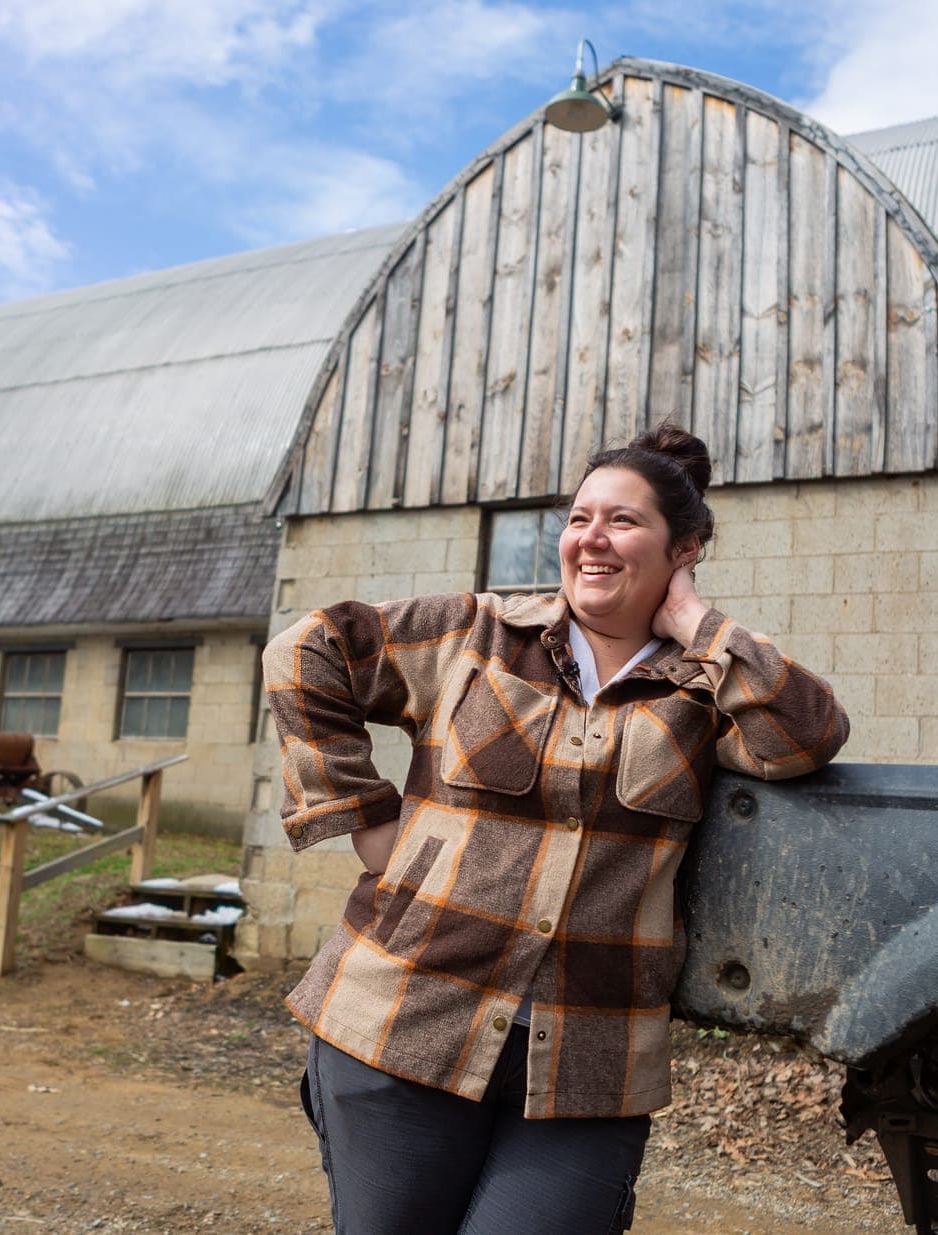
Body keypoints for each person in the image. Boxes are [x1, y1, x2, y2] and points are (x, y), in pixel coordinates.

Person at [263, 423, 850, 1234]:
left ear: (685, 548)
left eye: (623, 520)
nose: (592, 539)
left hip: (589, 1066)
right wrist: (364, 817)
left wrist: (696, 621)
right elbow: (306, 650)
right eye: (579, 518)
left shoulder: (703, 690)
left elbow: (809, 734)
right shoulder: (477, 635)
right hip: (402, 1024)